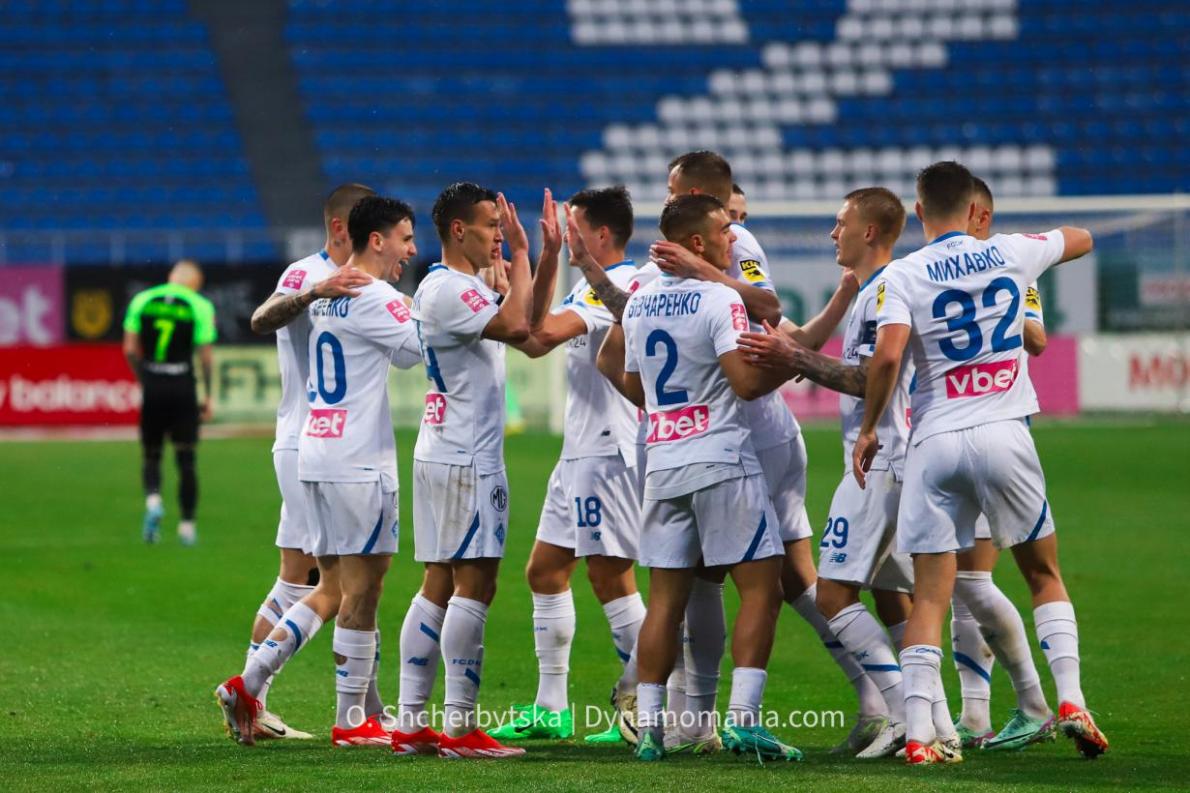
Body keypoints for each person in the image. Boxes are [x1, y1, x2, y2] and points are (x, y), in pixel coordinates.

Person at [854, 160, 1108, 764]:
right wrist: (1027, 257)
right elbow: (1082, 238)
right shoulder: (1012, 252)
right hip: (1004, 433)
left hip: (936, 439)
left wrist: (868, 429)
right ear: (975, 211)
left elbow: (886, 358)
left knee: (931, 596)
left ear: (919, 211)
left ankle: (921, 736)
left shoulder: (902, 273)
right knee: (1042, 573)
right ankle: (1070, 700)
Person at [646, 151, 866, 750]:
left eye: (672, 190)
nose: (665, 198)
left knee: (775, 579)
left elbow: (769, 318)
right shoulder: (671, 266)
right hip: (714, 440)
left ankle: (878, 695)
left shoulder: (732, 248)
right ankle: (696, 721)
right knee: (713, 579)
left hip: (749, 436)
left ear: (698, 198)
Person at [214, 196, 422, 748]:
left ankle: (258, 688)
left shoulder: (340, 293)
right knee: (353, 586)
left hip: (317, 444)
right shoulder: (320, 279)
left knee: (326, 585)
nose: (410, 249)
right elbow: (423, 348)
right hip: (344, 452)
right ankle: (347, 715)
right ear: (365, 233)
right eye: (404, 237)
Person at [598, 193, 798, 762]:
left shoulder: (638, 301)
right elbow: (746, 384)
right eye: (723, 230)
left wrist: (670, 410)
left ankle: (651, 732)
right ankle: (744, 721)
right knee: (763, 587)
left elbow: (628, 378)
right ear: (696, 243)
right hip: (722, 460)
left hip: (663, 462)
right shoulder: (720, 297)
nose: (732, 237)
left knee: (665, 601)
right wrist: (787, 361)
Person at [738, 187, 918, 759]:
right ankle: (933, 719)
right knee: (899, 595)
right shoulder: (872, 289)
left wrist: (796, 360)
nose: (832, 232)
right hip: (893, 458)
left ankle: (903, 716)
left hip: (878, 462)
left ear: (869, 231)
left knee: (835, 593)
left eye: (841, 223)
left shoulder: (884, 290)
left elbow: (867, 377)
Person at [488, 186, 645, 744]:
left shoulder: (623, 284)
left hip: (607, 451)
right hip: (579, 451)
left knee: (611, 577)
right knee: (546, 571)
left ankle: (648, 704)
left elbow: (541, 332)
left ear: (601, 234)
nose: (563, 233)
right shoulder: (589, 286)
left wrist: (546, 255)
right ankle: (552, 708)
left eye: (571, 227)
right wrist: (543, 262)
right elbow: (533, 343)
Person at [390, 183, 532, 759]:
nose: (498, 234)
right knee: (475, 584)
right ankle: (460, 726)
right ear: (458, 229)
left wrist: (528, 261)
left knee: (439, 584)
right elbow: (519, 327)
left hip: (444, 448)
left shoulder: (447, 286)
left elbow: (524, 320)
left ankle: (410, 723)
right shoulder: (452, 288)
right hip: (467, 458)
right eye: (491, 225)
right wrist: (523, 254)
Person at [236, 183, 375, 742]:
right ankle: (259, 695)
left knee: (301, 580)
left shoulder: (366, 281)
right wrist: (315, 291)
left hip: (329, 446)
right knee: (346, 581)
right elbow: (260, 319)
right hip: (306, 443)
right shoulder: (305, 272)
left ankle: (252, 702)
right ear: (340, 227)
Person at [950, 175, 1055, 751]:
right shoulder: (935, 269)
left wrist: (991, 306)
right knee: (960, 581)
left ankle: (1032, 703)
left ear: (980, 218)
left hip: (997, 427)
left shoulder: (1016, 268)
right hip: (951, 430)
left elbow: (1036, 339)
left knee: (973, 578)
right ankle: (975, 714)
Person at [122, 259, 216, 546]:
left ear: (171, 276)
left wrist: (145, 378)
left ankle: (153, 502)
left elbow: (129, 350)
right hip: (182, 385)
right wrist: (207, 394)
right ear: (195, 284)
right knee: (186, 459)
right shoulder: (199, 305)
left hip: (153, 383)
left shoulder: (142, 300)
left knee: (151, 454)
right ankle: (187, 527)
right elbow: (205, 356)